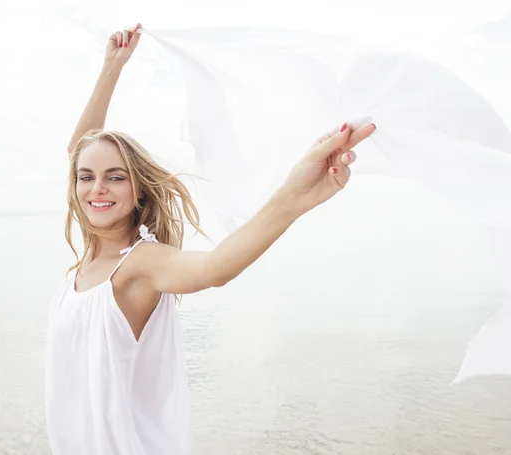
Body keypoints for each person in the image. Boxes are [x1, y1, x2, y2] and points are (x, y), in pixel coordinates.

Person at [45, 23, 376, 455]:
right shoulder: (88, 257)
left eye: (115, 178)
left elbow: (214, 268)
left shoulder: (139, 264)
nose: (97, 189)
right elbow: (79, 152)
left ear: (138, 188)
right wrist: (112, 68)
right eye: (87, 179)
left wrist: (295, 197)